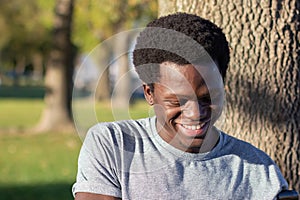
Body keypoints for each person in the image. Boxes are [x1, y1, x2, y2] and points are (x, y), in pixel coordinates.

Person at [72, 12, 288, 199]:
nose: (196, 113)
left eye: (208, 98)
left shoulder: (259, 172)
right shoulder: (113, 146)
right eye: (178, 101)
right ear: (150, 93)